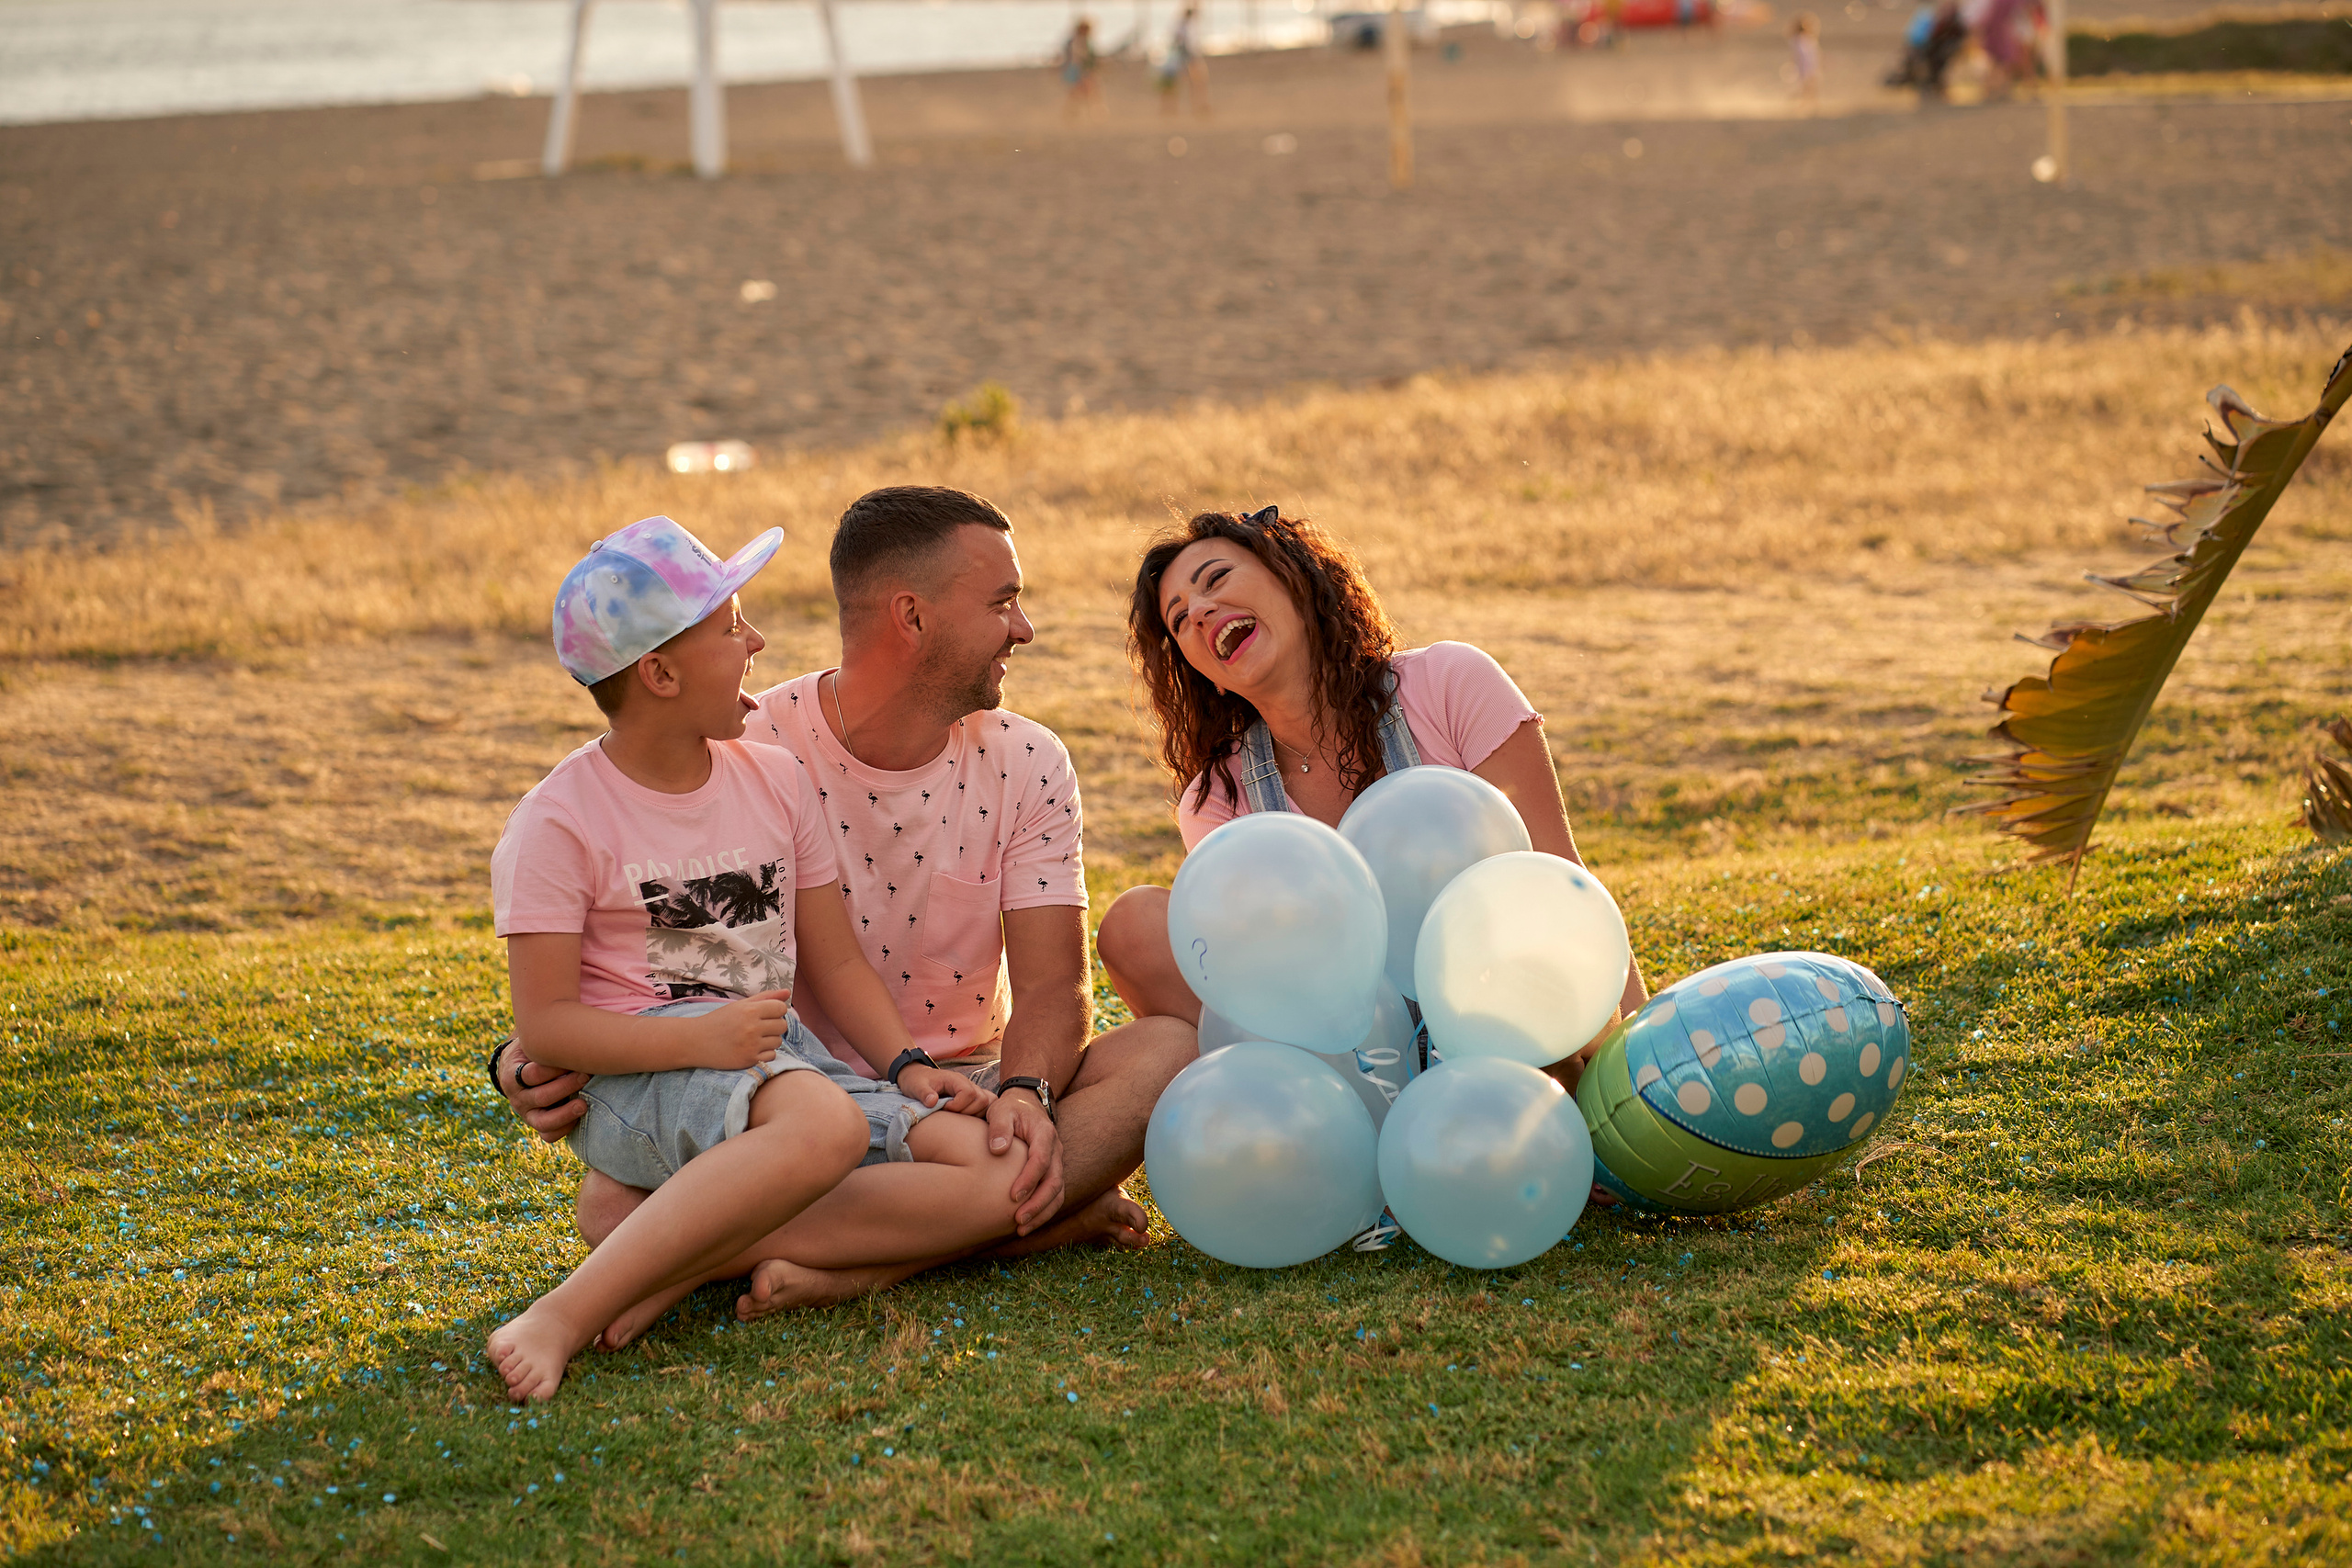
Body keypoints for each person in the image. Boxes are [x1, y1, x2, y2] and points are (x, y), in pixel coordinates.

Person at [494, 488, 1198, 1321]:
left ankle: (848, 1264)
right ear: (913, 616)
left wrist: (1024, 1094)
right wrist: (519, 1059)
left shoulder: (1029, 760)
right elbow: (657, 957)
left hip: (955, 1084)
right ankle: (1014, 1221)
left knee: (1165, 1049)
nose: (1025, 628)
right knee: (611, 1204)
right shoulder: (741, 746)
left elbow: (1053, 987)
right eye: (1002, 602)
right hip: (771, 1098)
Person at [485, 513, 1020, 1401]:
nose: (758, 642)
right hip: (645, 1078)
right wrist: (702, 1039)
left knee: (997, 1175)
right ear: (659, 674)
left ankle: (681, 1249)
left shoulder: (774, 779)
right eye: (733, 627)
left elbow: (836, 965)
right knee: (824, 1128)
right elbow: (545, 1026)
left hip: (776, 1062)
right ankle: (564, 1313)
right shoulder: (558, 820)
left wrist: (908, 1066)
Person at [1094, 505, 1648, 1095]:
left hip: (1509, 1010)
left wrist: (1639, 1068)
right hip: (1358, 1069)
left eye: (1217, 579)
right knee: (1137, 924)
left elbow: (1561, 879)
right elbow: (1267, 987)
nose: (1200, 611)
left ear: (1293, 575)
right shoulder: (1218, 800)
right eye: (1180, 620)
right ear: (1210, 676)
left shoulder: (1450, 683)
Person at [1060, 17, 1104, 119]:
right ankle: (1094, 112)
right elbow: (1079, 58)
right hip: (1078, 70)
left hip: (1079, 70)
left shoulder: (1080, 41)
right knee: (1087, 91)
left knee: (1083, 92)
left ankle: (1074, 112)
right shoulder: (1078, 41)